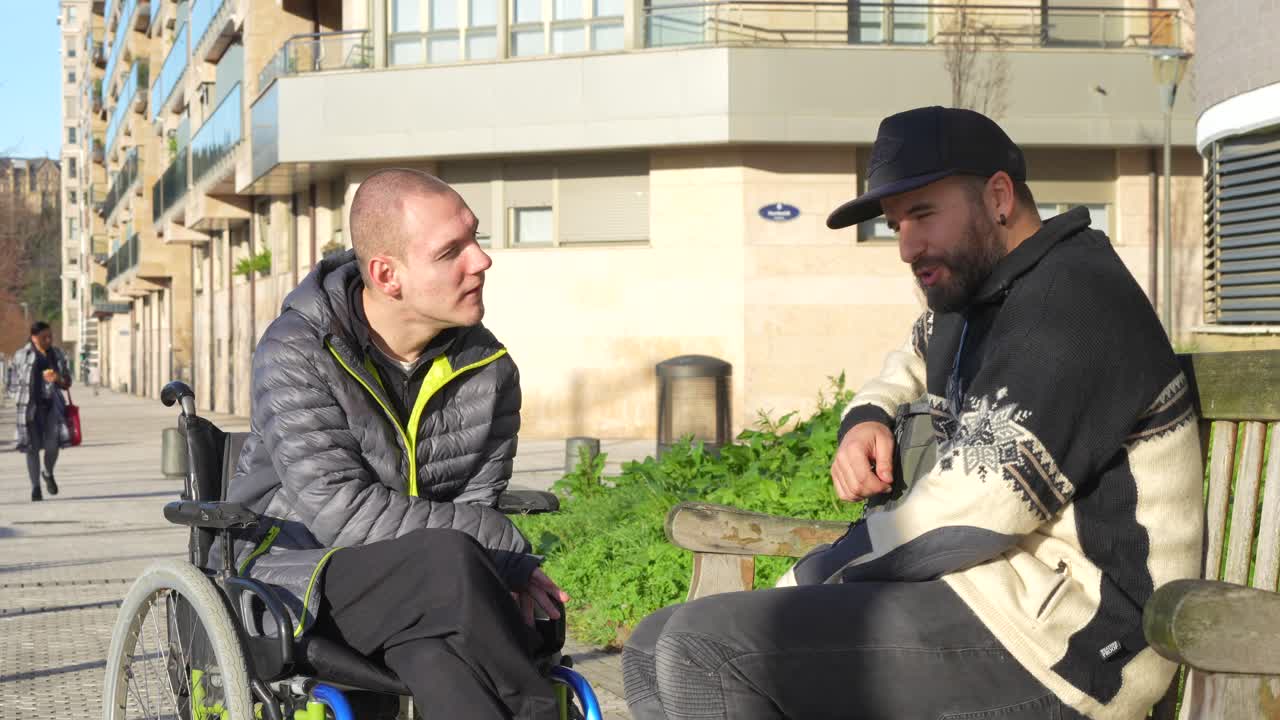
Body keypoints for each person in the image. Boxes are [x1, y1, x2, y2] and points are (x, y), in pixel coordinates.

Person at [622, 106, 1204, 720]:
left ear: (998, 197)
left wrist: (811, 575)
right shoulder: (981, 290)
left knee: (704, 651)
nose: (906, 246)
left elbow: (968, 515)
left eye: (923, 214)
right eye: (896, 223)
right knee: (651, 642)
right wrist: (868, 415)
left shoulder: (1071, 307)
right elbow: (914, 354)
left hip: (1081, 643)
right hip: (993, 591)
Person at [224, 169, 567, 720]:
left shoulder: (488, 369)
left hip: (434, 597)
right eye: (451, 250)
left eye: (474, 238)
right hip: (301, 580)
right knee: (453, 558)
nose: (481, 261)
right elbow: (342, 512)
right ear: (388, 275)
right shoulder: (296, 351)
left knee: (438, 658)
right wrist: (506, 552)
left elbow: (474, 502)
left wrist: (493, 558)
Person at [7, 322, 72, 501]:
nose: (49, 339)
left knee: (53, 446)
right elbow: (11, 383)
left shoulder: (57, 354)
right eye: (45, 337)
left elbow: (67, 382)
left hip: (52, 408)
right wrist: (17, 397)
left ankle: (48, 472)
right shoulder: (21, 355)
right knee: (31, 449)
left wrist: (58, 378)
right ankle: (35, 487)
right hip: (29, 409)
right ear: (34, 337)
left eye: (50, 336)